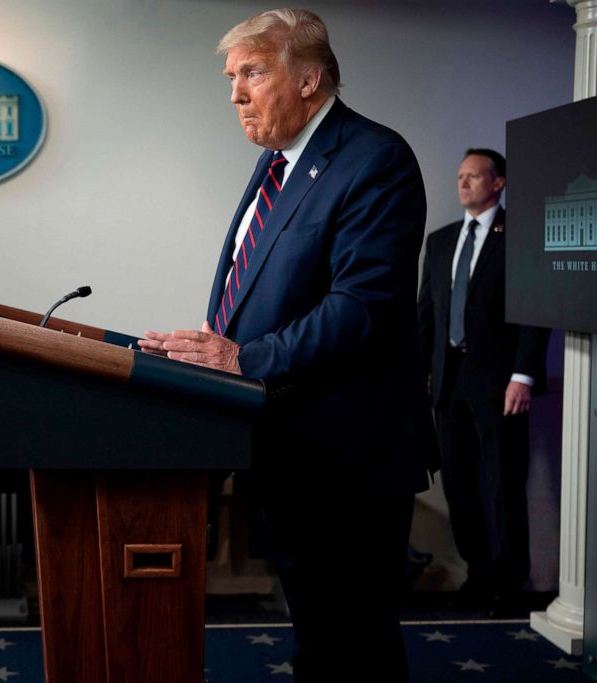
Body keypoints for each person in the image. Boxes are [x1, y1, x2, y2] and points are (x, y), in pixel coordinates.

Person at [138, 9, 434, 681]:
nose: (236, 93)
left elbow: (362, 307)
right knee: (321, 636)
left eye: (253, 72)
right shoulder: (279, 163)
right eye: (231, 77)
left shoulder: (374, 159)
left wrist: (242, 358)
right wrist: (208, 347)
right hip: (291, 444)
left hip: (349, 455)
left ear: (310, 78)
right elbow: (263, 293)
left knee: (355, 642)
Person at [418, 149, 549, 605]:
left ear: (499, 183)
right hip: (448, 384)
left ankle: (509, 579)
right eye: (460, 177)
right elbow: (425, 318)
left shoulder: (520, 237)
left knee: (502, 484)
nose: (464, 184)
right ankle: (477, 573)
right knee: (458, 485)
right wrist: (422, 378)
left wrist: (524, 376)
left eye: (474, 176)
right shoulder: (439, 241)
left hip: (499, 383)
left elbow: (536, 312)